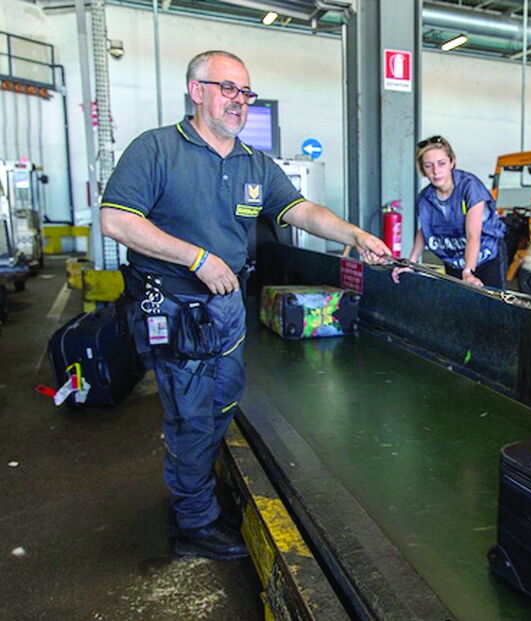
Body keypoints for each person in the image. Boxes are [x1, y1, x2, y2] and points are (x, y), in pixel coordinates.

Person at [100, 50, 390, 560]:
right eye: (228, 89)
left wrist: (356, 234)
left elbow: (301, 209)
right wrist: (197, 259)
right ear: (196, 91)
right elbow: (117, 221)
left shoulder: (253, 161)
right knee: (190, 413)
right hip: (175, 306)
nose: (240, 102)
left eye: (246, 93)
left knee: (222, 402)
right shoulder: (157, 149)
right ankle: (192, 524)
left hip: (227, 305)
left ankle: (198, 499)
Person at [391, 135, 507, 288]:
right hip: (454, 259)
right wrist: (410, 263)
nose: (436, 171)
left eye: (441, 164)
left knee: (492, 305)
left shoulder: (470, 188)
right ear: (422, 169)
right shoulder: (426, 198)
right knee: (458, 304)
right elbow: (425, 230)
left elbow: (473, 234)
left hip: (486, 257)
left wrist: (468, 272)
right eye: (428, 165)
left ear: (452, 162)